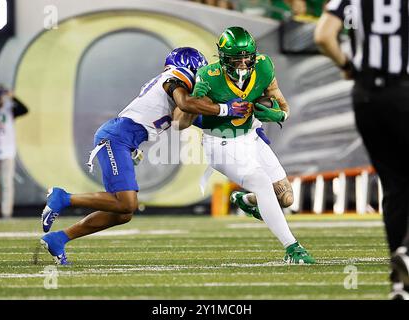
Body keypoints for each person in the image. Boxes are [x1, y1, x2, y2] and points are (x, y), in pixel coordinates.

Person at [40, 47, 249, 265]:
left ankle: (59, 239)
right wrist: (226, 109)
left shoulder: (183, 90)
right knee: (127, 203)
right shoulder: (176, 76)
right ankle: (63, 197)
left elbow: (185, 121)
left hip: (123, 140)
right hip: (116, 137)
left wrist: (245, 122)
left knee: (123, 213)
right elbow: (186, 104)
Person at [175, 27, 315, 264]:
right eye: (235, 60)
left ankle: (246, 200)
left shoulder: (263, 66)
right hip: (220, 142)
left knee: (286, 198)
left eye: (245, 59)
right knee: (261, 181)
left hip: (250, 136)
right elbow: (183, 119)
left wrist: (277, 115)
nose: (241, 65)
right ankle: (293, 248)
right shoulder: (208, 76)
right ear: (222, 58)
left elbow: (283, 107)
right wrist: (199, 105)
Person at [314, 0, 409, 299]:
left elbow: (323, 36)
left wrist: (346, 65)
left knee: (394, 186)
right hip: (404, 92)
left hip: (365, 97)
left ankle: (401, 284)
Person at [0, 84, 28, 218]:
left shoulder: (9, 109)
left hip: (7, 151)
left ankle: (6, 212)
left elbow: (24, 109)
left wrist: (13, 97)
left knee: (6, 183)